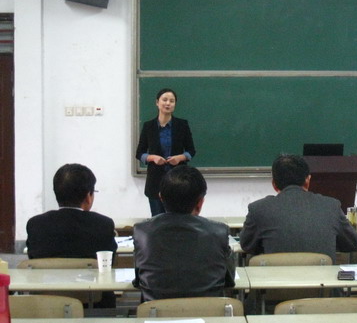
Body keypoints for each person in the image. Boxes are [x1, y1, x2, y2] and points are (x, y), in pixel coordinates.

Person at [133, 165, 235, 301]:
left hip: (157, 312)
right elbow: (229, 281)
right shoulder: (219, 232)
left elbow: (139, 280)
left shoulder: (142, 232)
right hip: (208, 312)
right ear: (200, 203)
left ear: (161, 198)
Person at [239, 154, 357, 262]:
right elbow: (353, 244)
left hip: (276, 280)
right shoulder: (331, 206)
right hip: (321, 280)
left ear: (274, 185)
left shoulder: (258, 209)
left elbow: (247, 246)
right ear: (307, 181)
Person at [26, 163, 117, 259]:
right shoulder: (103, 225)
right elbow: (108, 262)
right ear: (88, 197)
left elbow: (33, 258)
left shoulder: (35, 225)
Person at [136, 88, 196, 216]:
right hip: (155, 182)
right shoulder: (148, 126)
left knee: (178, 219)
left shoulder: (182, 125)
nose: (168, 103)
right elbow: (139, 153)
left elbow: (191, 151)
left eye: (172, 101)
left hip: (178, 181)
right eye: (165, 100)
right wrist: (152, 158)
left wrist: (180, 158)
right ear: (157, 102)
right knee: (158, 220)